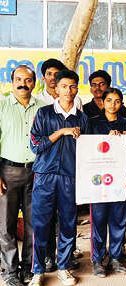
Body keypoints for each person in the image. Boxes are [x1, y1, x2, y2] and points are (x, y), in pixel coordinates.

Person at [29, 70, 89, 286]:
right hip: (45, 176)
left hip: (70, 178)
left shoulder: (82, 118)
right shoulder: (44, 113)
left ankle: (64, 267)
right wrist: (61, 131)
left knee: (68, 223)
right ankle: (38, 270)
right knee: (41, 224)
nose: (68, 91)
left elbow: (88, 152)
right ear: (56, 88)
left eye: (73, 86)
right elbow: (35, 146)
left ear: (77, 88)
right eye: (64, 86)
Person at [0, 65, 44, 286]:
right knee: (5, 225)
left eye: (27, 80)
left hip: (36, 173)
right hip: (7, 173)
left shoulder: (43, 108)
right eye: (18, 79)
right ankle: (9, 272)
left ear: (34, 82)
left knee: (33, 224)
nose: (22, 83)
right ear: (11, 81)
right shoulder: (2, 105)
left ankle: (29, 268)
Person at [88, 88, 126, 278]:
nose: (113, 104)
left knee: (118, 220)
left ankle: (116, 257)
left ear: (121, 104)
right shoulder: (93, 123)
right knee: (98, 220)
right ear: (102, 102)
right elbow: (86, 151)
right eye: (109, 100)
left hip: (120, 179)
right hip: (98, 181)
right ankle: (97, 260)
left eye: (117, 101)